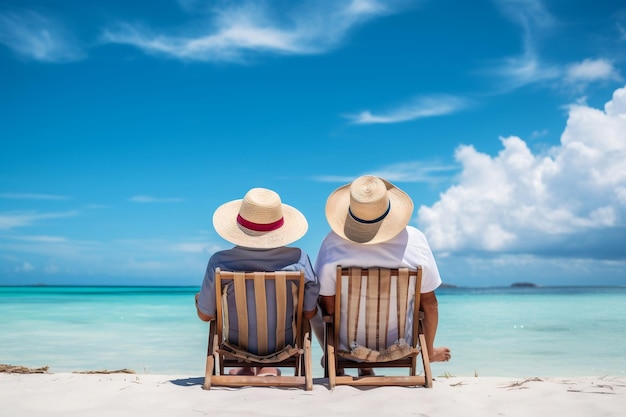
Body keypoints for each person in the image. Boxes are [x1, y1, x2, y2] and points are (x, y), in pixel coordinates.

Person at [312, 175, 451, 374]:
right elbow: (430, 304)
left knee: (314, 302)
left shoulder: (333, 242)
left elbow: (329, 306)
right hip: (400, 343)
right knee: (424, 301)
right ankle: (428, 352)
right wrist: (427, 348)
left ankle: (333, 354)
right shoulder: (416, 240)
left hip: (348, 344)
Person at [195, 187, 319, 377]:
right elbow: (309, 313)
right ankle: (267, 367)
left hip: (237, 346)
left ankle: (245, 366)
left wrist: (200, 301)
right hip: (283, 346)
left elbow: (205, 316)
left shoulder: (219, 262)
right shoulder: (298, 260)